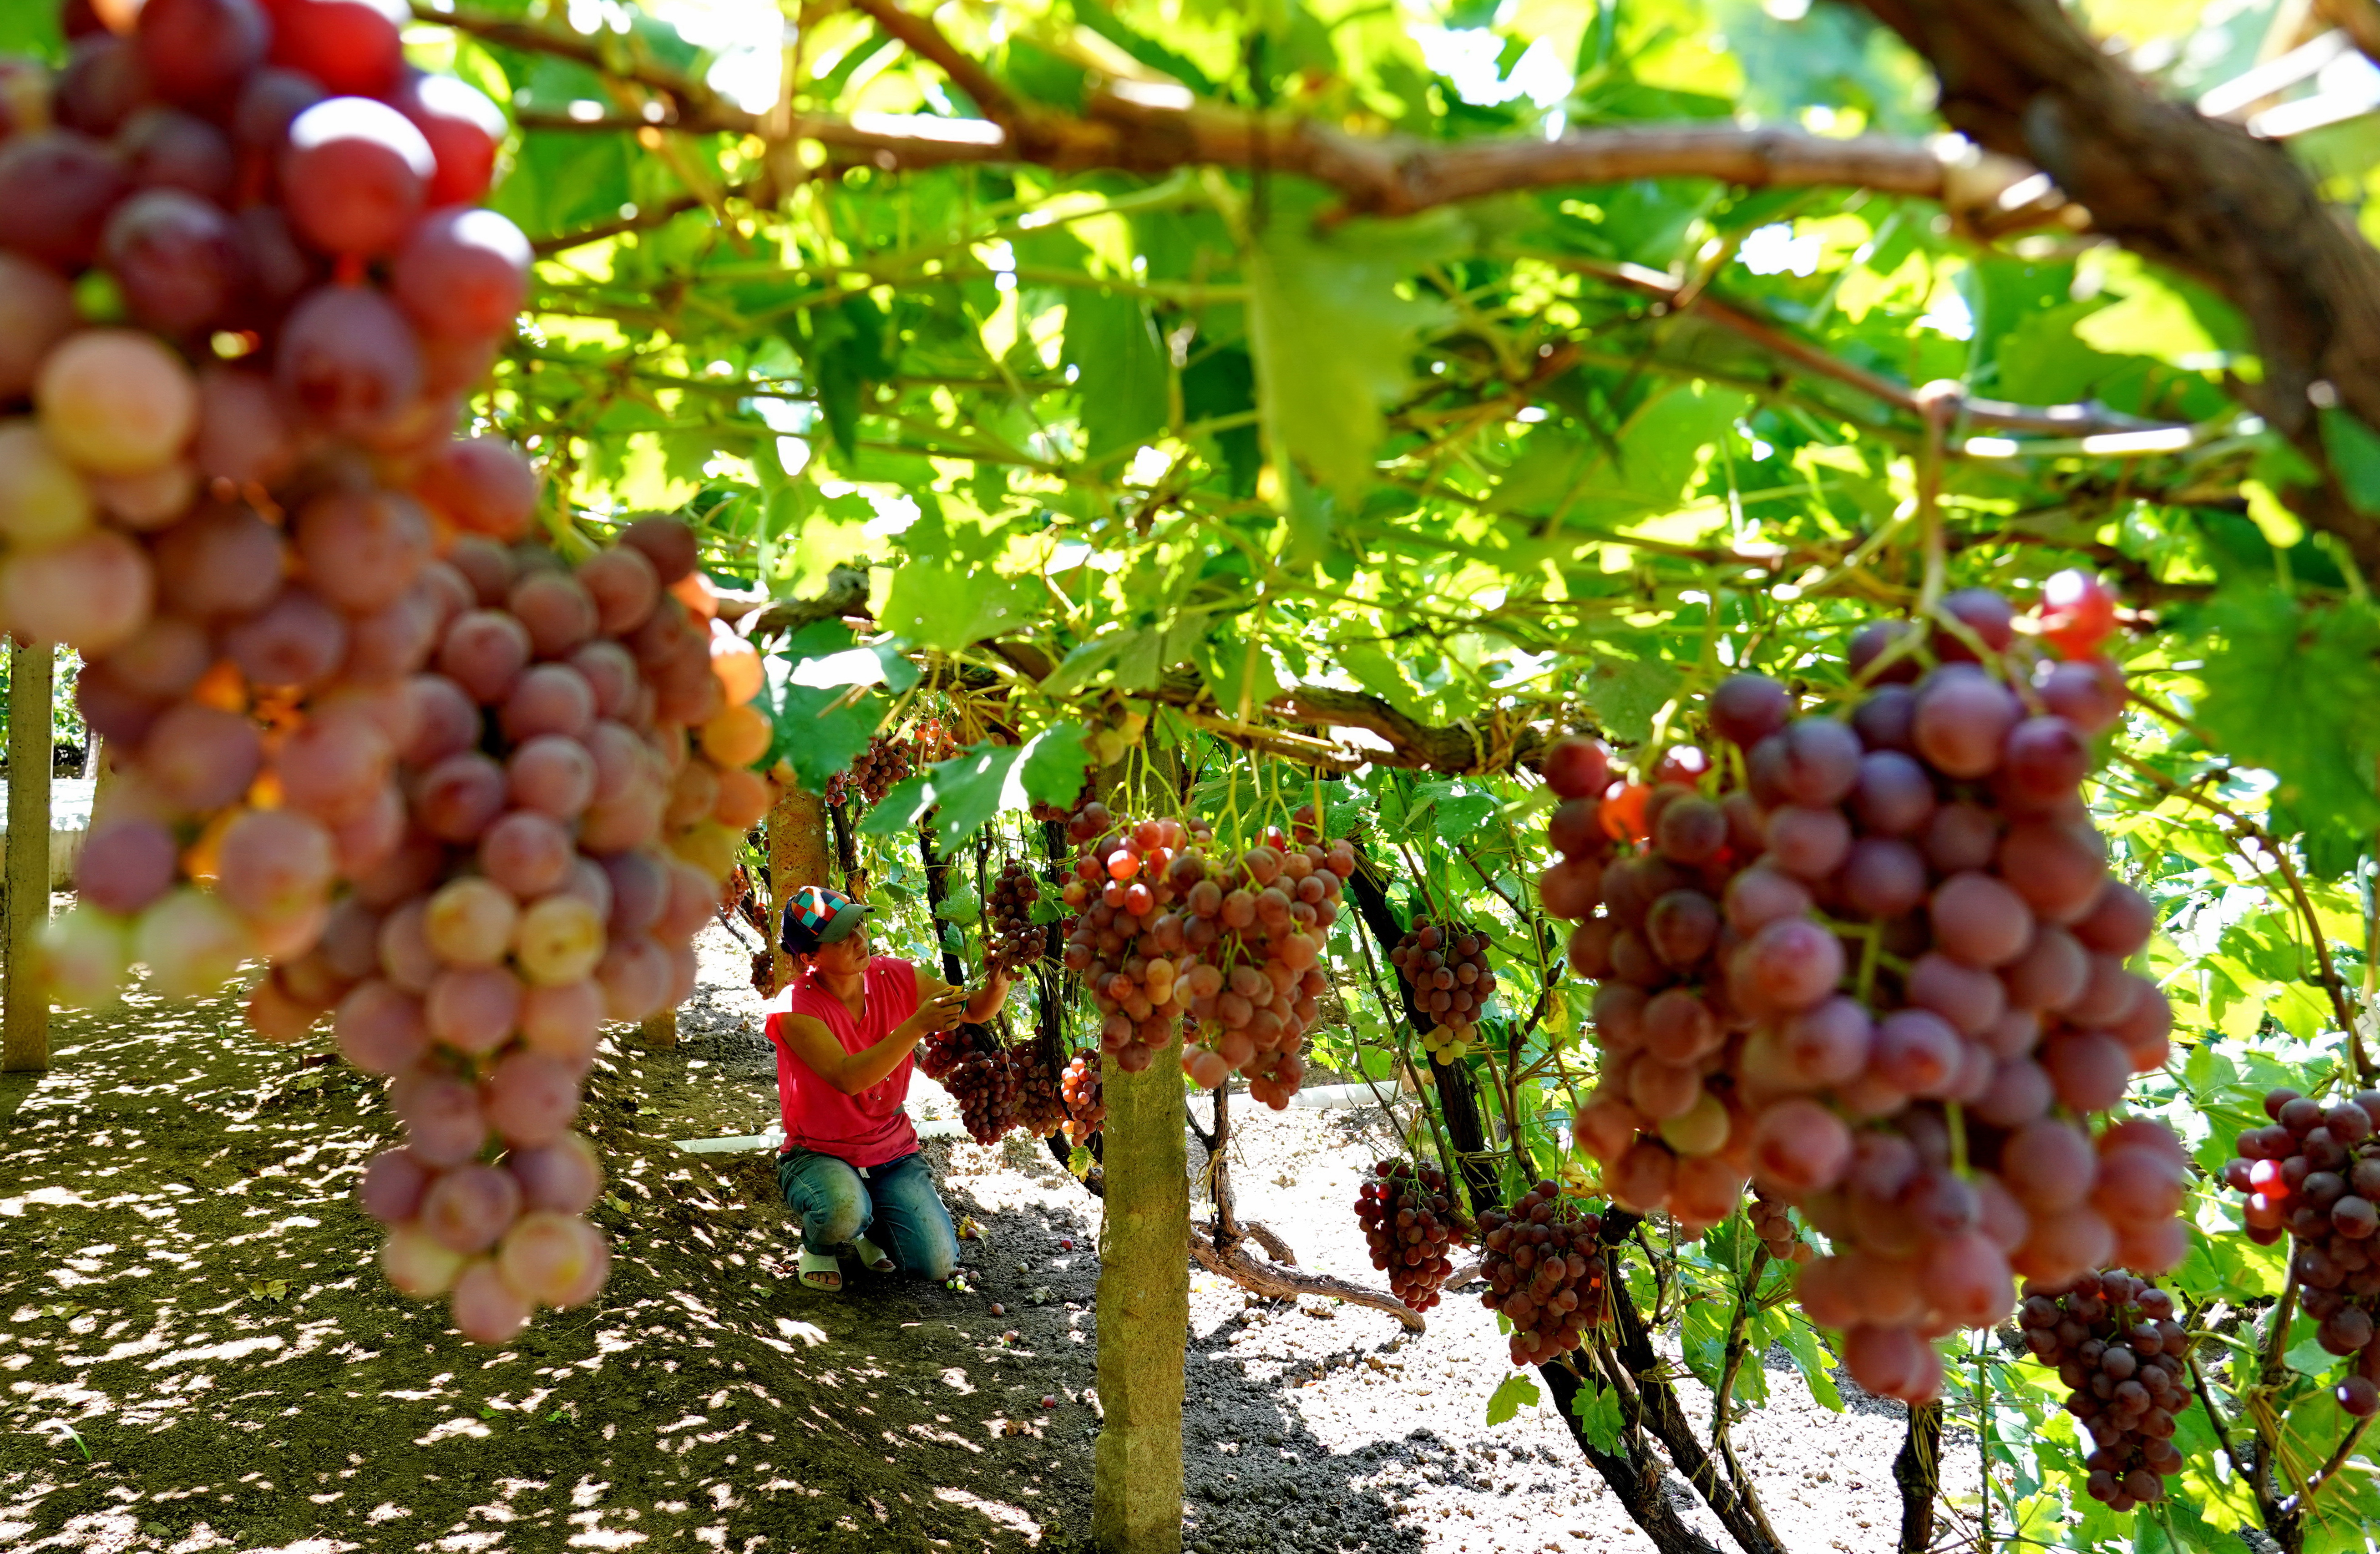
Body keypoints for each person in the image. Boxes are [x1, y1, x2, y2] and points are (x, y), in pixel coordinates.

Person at [764, 883, 1011, 1292]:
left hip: (889, 1148)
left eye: (858, 925)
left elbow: (975, 1008)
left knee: (935, 1262)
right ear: (810, 958)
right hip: (820, 1150)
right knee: (842, 1209)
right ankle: (818, 1244)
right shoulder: (795, 1008)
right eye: (842, 937)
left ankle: (869, 1225)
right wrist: (916, 1026)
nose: (860, 939)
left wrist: (1000, 978)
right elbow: (849, 1076)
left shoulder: (893, 975)